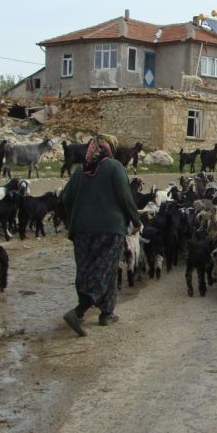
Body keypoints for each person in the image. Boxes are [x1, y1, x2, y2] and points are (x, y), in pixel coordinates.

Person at [61, 134, 141, 336]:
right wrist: (136, 220)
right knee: (106, 270)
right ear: (109, 149)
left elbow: (65, 198)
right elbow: (125, 196)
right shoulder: (114, 167)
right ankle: (78, 312)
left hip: (81, 231)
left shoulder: (80, 170)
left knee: (88, 269)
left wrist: (72, 220)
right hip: (109, 229)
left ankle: (107, 313)